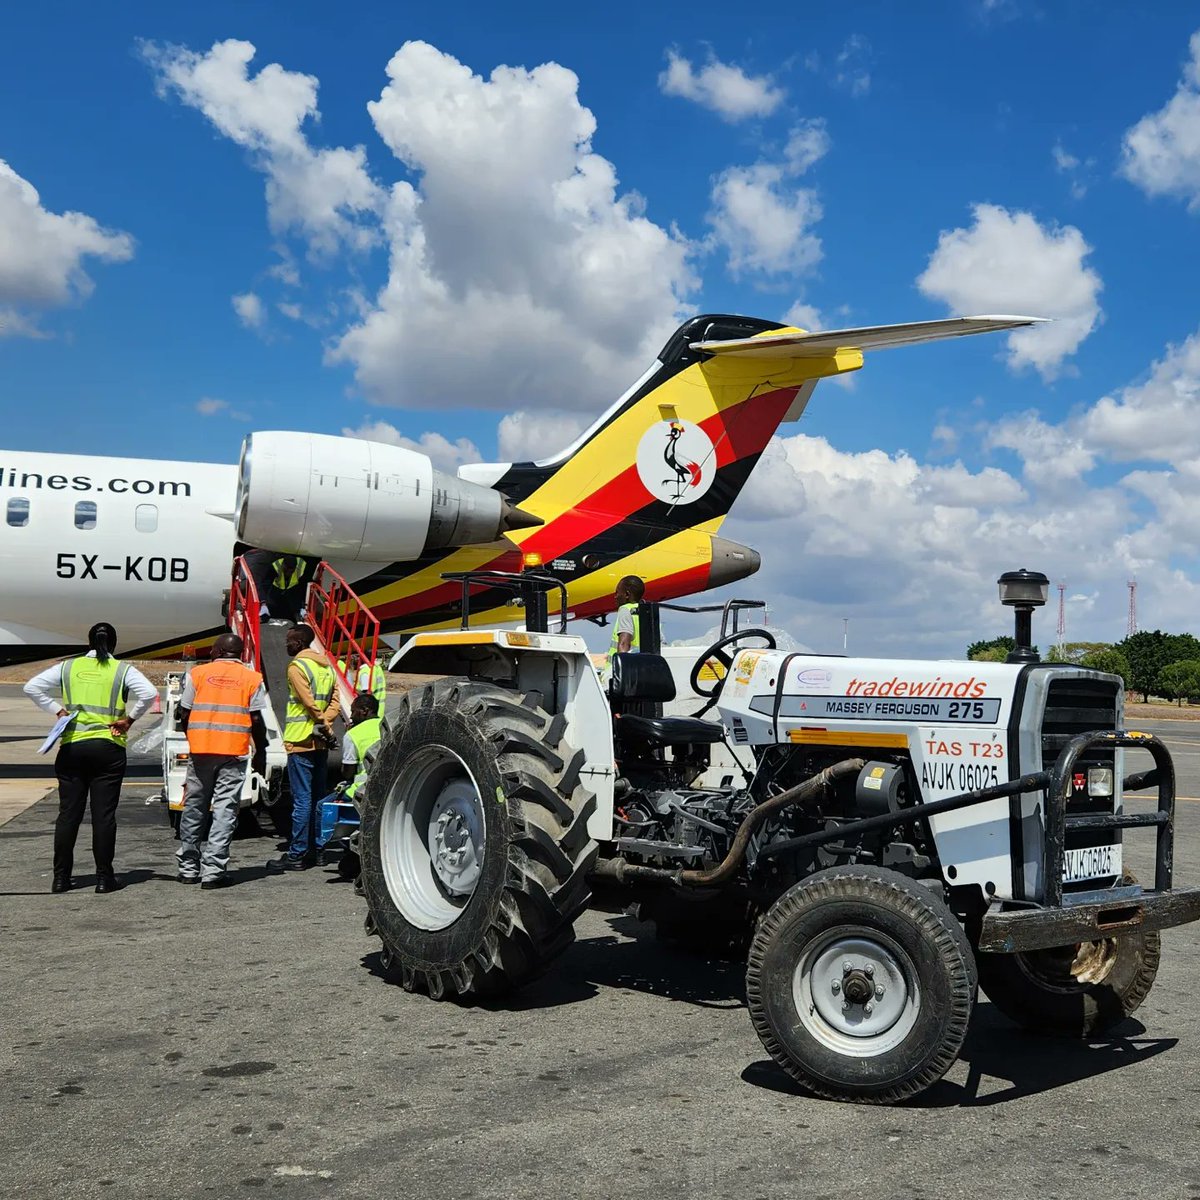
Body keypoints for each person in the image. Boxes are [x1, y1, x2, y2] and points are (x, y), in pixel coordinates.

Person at [23, 622, 158, 893]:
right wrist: (129, 719)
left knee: (68, 815)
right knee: (103, 815)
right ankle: (104, 878)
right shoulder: (122, 669)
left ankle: (60, 878)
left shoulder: (68, 667)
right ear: (115, 643)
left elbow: (31, 687)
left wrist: (58, 711)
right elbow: (149, 694)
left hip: (73, 746)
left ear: (89, 641)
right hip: (107, 747)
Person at [176, 633, 268, 889]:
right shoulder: (252, 678)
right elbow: (257, 719)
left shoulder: (198, 674)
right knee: (225, 810)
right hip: (233, 752)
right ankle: (213, 873)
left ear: (216, 651)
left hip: (202, 750)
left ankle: (188, 869)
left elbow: (184, 711)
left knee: (194, 806)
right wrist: (261, 751)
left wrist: (193, 736)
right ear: (240, 654)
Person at [267, 623, 339, 873]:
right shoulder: (326, 667)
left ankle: (297, 853)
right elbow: (336, 701)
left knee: (302, 800)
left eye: (288, 641)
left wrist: (320, 722)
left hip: (300, 740)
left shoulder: (297, 666)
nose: (285, 644)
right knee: (319, 798)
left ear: (298, 643)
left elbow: (307, 701)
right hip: (320, 741)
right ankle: (318, 850)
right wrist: (327, 725)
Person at [316, 692, 382, 855]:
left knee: (321, 806)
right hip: (385, 785)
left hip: (361, 789)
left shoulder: (353, 735)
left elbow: (347, 773)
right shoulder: (387, 725)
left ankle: (319, 850)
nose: (351, 716)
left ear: (365, 711)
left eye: (353, 711)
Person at [607, 575, 645, 667]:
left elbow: (624, 644)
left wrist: (621, 671)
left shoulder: (625, 610)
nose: (615, 597)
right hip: (641, 668)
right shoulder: (647, 610)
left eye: (617, 592)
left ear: (627, 595)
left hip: (622, 672)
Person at [265, 554, 308, 622]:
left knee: (296, 605)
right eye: (286, 570)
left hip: (293, 589)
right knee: (271, 604)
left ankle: (296, 617)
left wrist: (303, 606)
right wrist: (263, 603)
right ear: (283, 565)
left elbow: (304, 586)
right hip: (276, 591)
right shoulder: (275, 567)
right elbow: (265, 584)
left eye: (291, 571)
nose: (288, 573)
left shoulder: (301, 568)